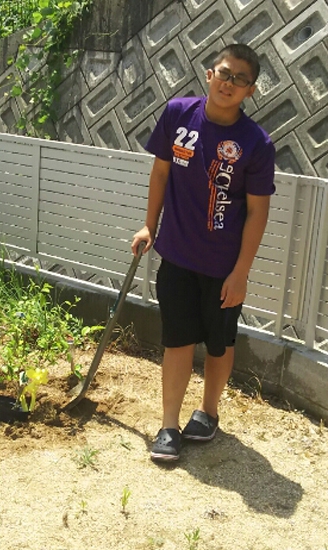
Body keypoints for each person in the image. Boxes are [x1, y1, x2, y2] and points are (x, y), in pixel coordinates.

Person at [131, 44, 275, 461]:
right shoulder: (178, 114)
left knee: (218, 344)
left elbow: (257, 212)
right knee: (176, 341)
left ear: (250, 91)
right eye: (225, 74)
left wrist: (241, 272)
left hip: (223, 266)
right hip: (176, 255)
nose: (229, 84)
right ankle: (169, 425)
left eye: (240, 80)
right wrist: (149, 225)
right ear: (209, 74)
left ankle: (208, 412)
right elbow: (161, 172)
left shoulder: (256, 143)